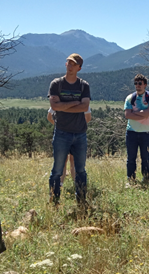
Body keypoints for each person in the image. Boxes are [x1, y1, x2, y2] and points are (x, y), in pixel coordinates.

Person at [48, 53, 91, 205]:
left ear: (79, 68)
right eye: (68, 62)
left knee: (80, 171)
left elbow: (85, 106)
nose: (70, 65)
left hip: (80, 133)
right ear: (65, 64)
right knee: (57, 170)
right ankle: (54, 201)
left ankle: (81, 201)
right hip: (61, 132)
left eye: (74, 64)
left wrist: (64, 106)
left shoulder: (83, 85)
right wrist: (75, 103)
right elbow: (54, 106)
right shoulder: (56, 84)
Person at [124, 74, 149, 184]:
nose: (137, 86)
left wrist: (135, 113)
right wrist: (143, 114)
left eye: (140, 83)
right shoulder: (130, 98)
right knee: (131, 158)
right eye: (136, 83)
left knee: (145, 157)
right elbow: (127, 115)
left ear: (145, 85)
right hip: (131, 132)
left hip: (146, 132)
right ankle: (130, 179)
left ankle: (146, 178)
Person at [47, 107, 91, 185]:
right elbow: (88, 117)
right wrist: (77, 127)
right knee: (68, 161)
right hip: (74, 134)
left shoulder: (62, 100)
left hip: (64, 134)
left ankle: (64, 184)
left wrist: (62, 127)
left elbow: (50, 117)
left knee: (66, 161)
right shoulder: (80, 100)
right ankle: (71, 184)